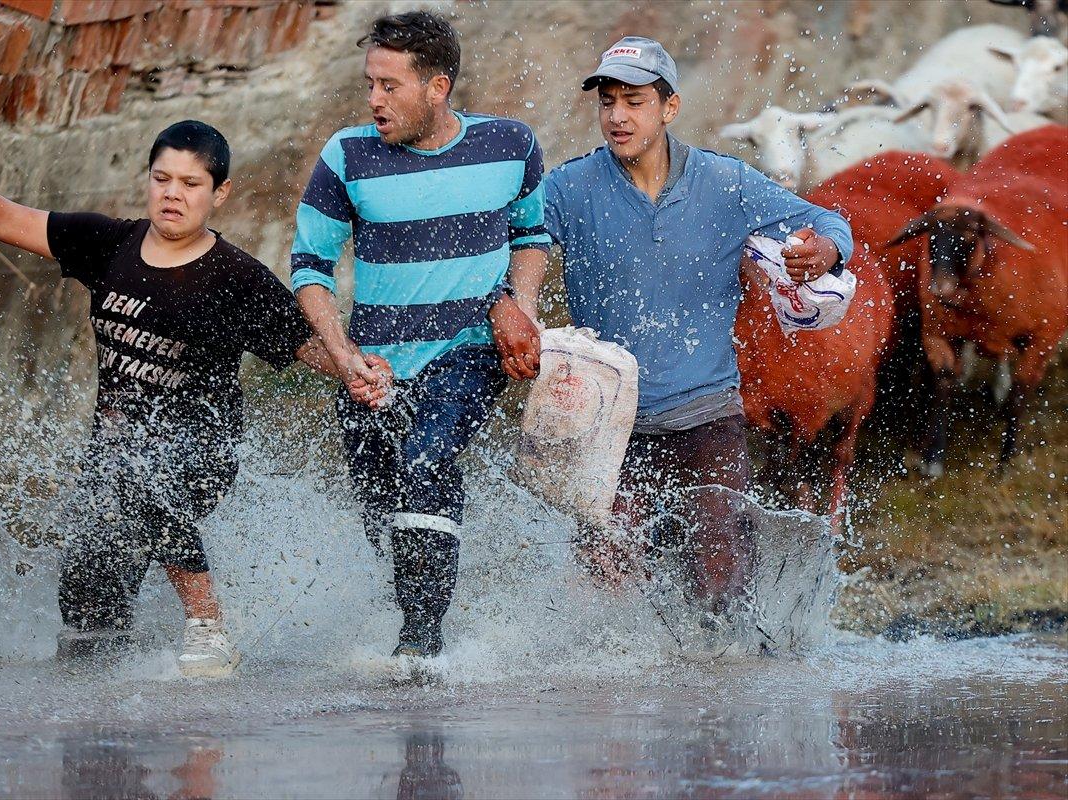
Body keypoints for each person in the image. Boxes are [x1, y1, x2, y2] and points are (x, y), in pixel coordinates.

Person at [0, 120, 389, 676]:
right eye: (162, 179)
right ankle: (108, 695)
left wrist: (357, 370)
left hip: (203, 448)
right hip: (115, 450)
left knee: (143, 473)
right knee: (87, 603)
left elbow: (307, 344)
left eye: (190, 184)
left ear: (219, 194)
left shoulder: (236, 278)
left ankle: (208, 625)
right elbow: (3, 217)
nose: (173, 194)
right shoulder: (109, 244)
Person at [543, 38, 853, 615]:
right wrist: (514, 308)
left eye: (634, 101)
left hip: (706, 413)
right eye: (607, 102)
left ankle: (728, 661)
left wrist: (828, 250)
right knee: (606, 585)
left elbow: (824, 219)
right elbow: (519, 239)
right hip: (609, 420)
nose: (617, 116)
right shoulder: (570, 189)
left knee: (720, 584)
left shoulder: (724, 182)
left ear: (670, 107)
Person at [291, 10, 549, 658]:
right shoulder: (346, 155)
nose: (374, 100)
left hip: (468, 350)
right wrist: (344, 357)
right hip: (375, 366)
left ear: (437, 87)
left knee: (427, 461)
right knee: (383, 514)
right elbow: (310, 268)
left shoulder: (510, 145)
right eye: (370, 84)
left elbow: (530, 236)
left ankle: (421, 646)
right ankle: (420, 614)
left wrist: (519, 306)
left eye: (390, 86)